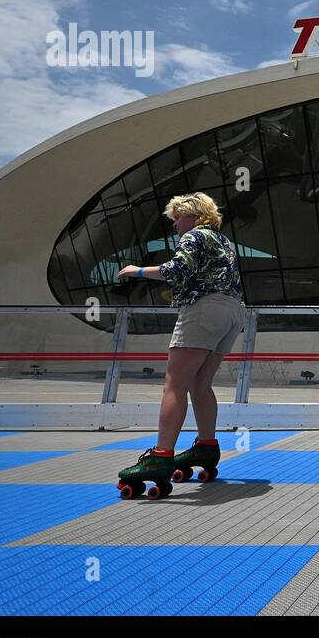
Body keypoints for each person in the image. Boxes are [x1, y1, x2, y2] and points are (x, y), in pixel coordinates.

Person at [112, 192, 246, 497]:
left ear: (195, 216)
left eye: (177, 217)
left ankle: (161, 456)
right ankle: (206, 446)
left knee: (175, 384)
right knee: (201, 384)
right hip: (233, 310)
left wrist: (137, 271)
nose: (174, 224)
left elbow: (176, 271)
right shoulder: (223, 241)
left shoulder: (193, 236)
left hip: (204, 309)